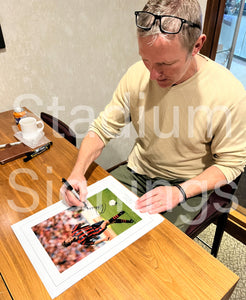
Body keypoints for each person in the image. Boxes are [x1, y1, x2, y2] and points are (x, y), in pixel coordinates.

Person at [62, 0, 246, 232]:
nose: (152, 75)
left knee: (153, 254)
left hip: (188, 185)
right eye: (145, 60)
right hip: (137, 171)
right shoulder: (136, 75)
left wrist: (179, 192)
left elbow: (231, 163)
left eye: (165, 64)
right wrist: (77, 173)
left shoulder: (229, 93)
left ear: (197, 45)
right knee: (80, 223)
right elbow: (102, 129)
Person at [62, 211, 134, 247]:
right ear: (70, 243)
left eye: (67, 239)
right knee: (106, 222)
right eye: (69, 241)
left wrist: (78, 219)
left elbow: (78, 224)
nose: (69, 239)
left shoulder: (74, 231)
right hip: (97, 231)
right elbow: (93, 243)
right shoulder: (81, 242)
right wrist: (104, 239)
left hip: (94, 226)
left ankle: (129, 221)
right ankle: (120, 213)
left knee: (111, 222)